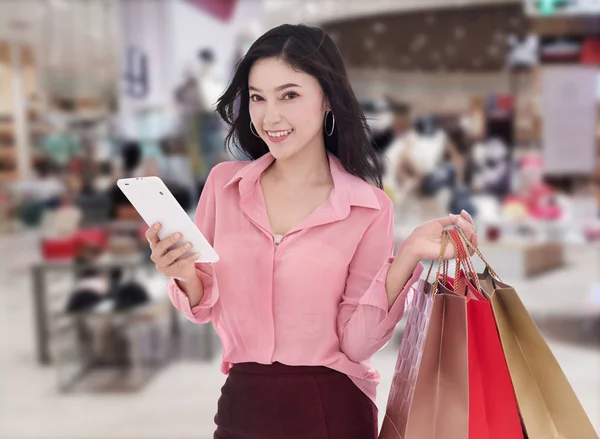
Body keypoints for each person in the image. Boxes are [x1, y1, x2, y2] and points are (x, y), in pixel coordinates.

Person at [145, 24, 477, 439]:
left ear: (327, 99)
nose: (271, 116)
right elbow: (201, 305)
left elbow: (356, 345)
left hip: (330, 408)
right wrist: (181, 270)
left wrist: (406, 255)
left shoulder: (368, 207)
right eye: (257, 98)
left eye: (289, 95)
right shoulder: (224, 186)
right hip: (241, 405)